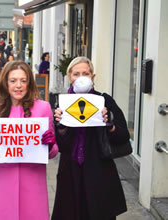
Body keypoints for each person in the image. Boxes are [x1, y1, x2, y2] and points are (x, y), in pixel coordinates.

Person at [0, 61, 58, 220]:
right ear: (5, 83)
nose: (18, 85)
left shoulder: (43, 108)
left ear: (29, 83)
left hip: (33, 183)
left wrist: (50, 144)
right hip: (1, 183)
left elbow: (52, 153)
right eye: (13, 81)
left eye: (23, 81)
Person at [51, 56, 129, 220]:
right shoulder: (62, 103)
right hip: (70, 172)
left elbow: (123, 136)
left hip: (98, 172)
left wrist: (110, 124)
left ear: (93, 77)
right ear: (69, 77)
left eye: (85, 73)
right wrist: (61, 126)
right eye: (76, 74)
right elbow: (60, 145)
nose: (81, 78)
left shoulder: (105, 101)